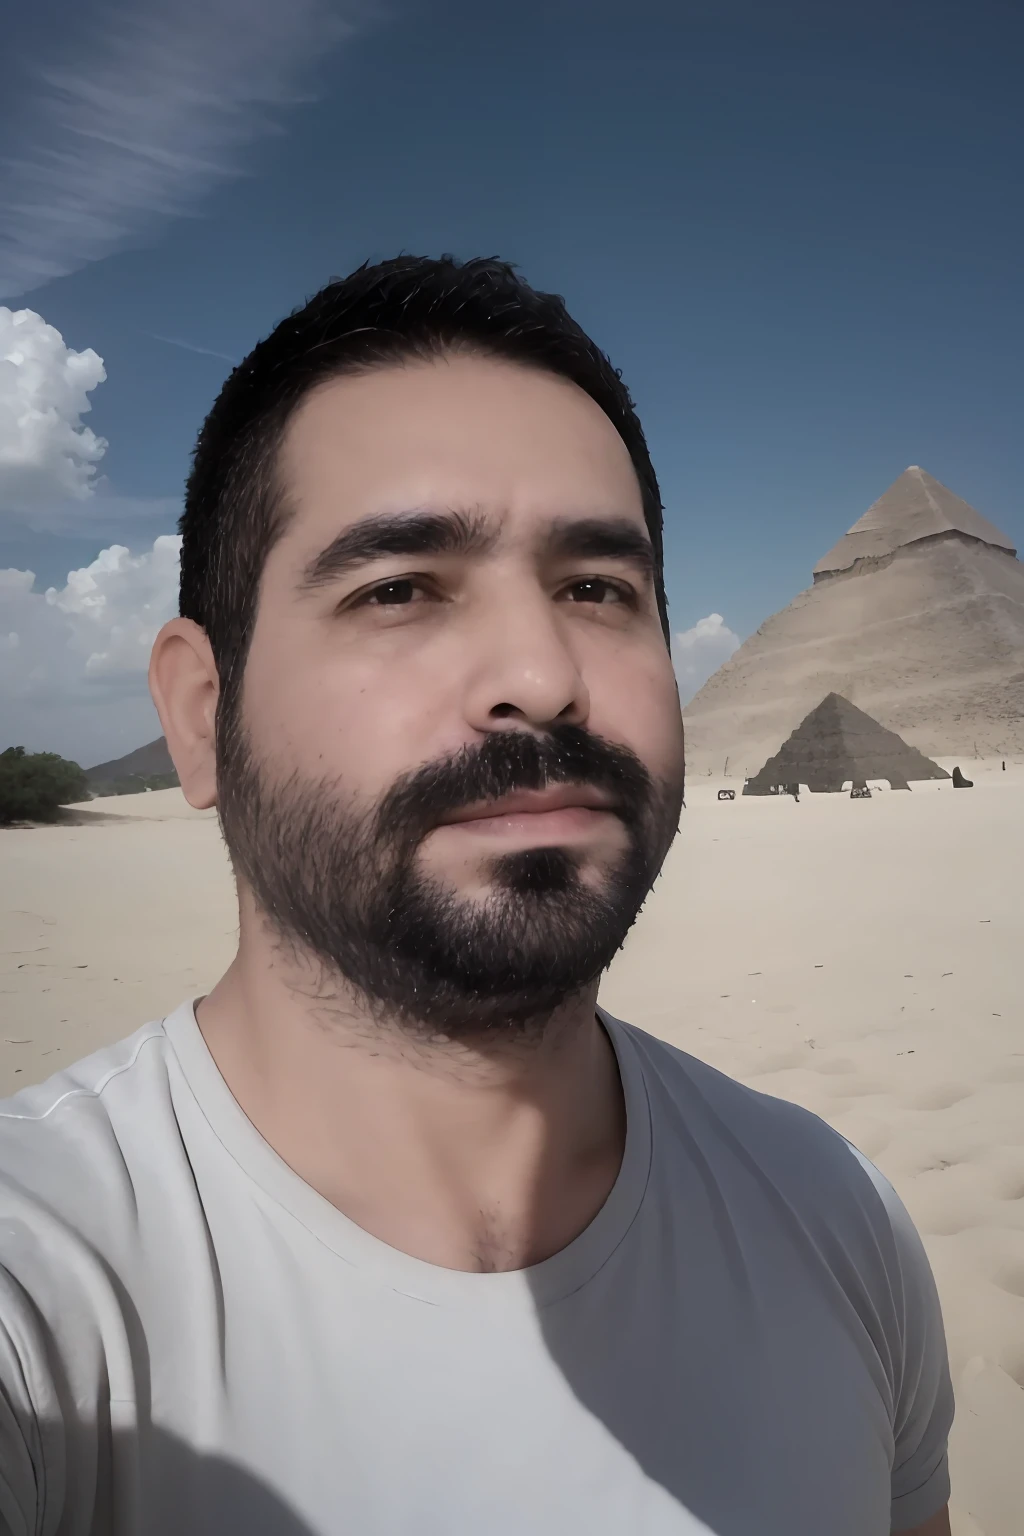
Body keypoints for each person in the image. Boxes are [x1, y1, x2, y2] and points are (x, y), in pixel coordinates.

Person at [0, 256, 953, 1536]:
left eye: (597, 590)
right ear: (200, 715)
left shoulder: (837, 1215)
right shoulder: (44, 1293)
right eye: (397, 588)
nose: (541, 673)